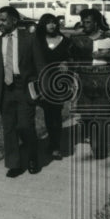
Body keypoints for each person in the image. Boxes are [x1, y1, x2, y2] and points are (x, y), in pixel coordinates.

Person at [0, 6, 42, 177]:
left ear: (14, 21)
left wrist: (42, 88)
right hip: (5, 90)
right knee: (9, 128)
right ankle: (14, 164)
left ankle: (32, 156)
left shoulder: (29, 39)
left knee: (25, 125)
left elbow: (40, 65)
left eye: (3, 20)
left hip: (24, 88)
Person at [68, 8, 110, 158]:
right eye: (83, 22)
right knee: (88, 115)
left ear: (96, 23)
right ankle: (93, 138)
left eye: (88, 22)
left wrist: (107, 54)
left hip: (104, 81)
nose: (85, 24)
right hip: (85, 82)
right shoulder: (77, 39)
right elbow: (71, 58)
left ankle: (99, 148)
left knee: (101, 116)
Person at [33, 12, 72, 161]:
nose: (52, 25)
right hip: (41, 82)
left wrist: (67, 62)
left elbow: (72, 58)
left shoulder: (66, 41)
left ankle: (55, 146)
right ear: (43, 24)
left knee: (55, 113)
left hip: (58, 83)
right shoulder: (37, 41)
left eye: (54, 22)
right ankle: (49, 142)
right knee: (48, 113)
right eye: (48, 22)